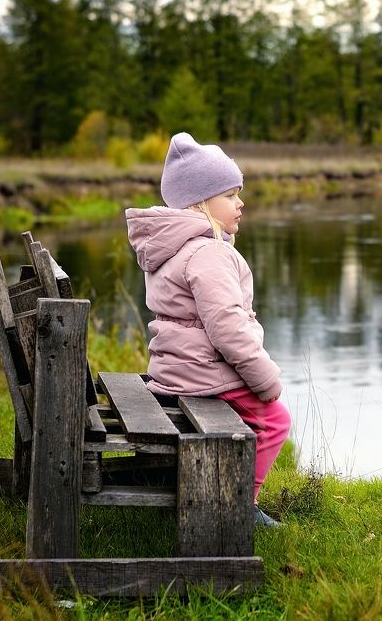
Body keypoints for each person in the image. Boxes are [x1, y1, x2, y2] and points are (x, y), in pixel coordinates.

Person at [125, 132, 290, 528]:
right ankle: (239, 506)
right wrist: (265, 380)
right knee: (275, 419)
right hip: (203, 373)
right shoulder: (209, 252)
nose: (240, 203)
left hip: (176, 370)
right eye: (231, 195)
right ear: (201, 202)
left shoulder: (172, 246)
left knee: (258, 416)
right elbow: (228, 329)